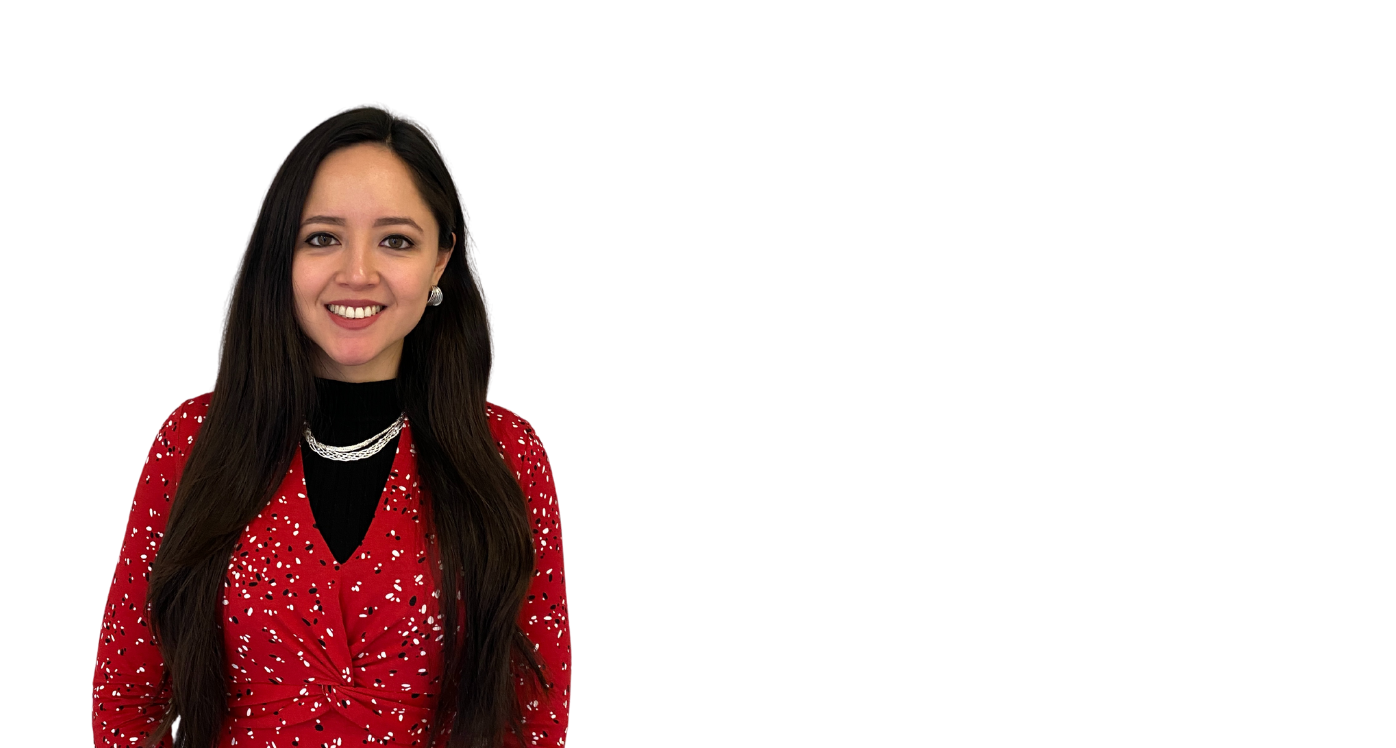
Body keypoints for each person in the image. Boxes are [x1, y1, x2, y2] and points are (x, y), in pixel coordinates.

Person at [91, 103, 572, 748]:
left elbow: (533, 716)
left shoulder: (508, 453)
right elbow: (127, 698)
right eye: (322, 237)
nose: (357, 273)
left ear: (439, 263)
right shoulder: (193, 440)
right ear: (280, 256)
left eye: (396, 240)